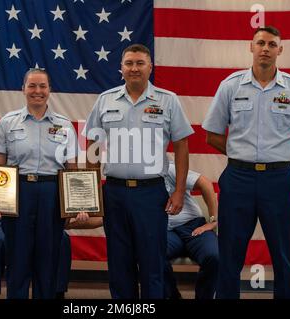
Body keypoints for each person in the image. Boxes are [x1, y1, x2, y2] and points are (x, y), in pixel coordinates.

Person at [202, 26, 290, 299]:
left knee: (285, 258)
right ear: (251, 47)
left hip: (278, 181)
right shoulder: (231, 86)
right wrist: (240, 153)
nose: (265, 49)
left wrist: (276, 157)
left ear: (280, 50)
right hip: (238, 179)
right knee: (229, 256)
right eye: (260, 43)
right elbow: (211, 135)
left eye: (271, 44)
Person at [83, 44, 194, 298]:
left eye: (140, 63)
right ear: (121, 68)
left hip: (151, 194)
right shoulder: (105, 100)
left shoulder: (168, 101)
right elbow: (93, 147)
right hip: (114, 193)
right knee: (119, 264)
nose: (134, 68)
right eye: (129, 63)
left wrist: (178, 191)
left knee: (152, 264)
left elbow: (181, 147)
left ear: (150, 67)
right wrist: (90, 193)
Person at [0, 68, 79, 299]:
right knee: (17, 261)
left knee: (47, 262)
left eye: (42, 86)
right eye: (32, 86)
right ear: (23, 89)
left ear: (49, 90)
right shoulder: (7, 123)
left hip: (52, 194)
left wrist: (74, 204)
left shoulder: (65, 126)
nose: (37, 91)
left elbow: (71, 170)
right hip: (18, 193)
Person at [163, 163, 219, 300]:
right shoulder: (138, 179)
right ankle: (172, 296)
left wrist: (213, 220)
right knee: (151, 255)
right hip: (165, 231)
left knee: (214, 256)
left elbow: (205, 183)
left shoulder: (168, 169)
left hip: (193, 226)